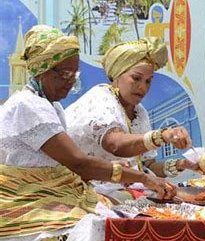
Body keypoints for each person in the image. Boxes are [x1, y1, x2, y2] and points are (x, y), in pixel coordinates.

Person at [0, 25, 176, 241]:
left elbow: (74, 166)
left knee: (124, 215)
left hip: (57, 191)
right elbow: (85, 160)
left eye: (75, 74)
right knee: (103, 228)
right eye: (65, 74)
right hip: (27, 200)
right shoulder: (29, 105)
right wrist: (144, 175)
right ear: (42, 69)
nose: (71, 81)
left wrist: (177, 166)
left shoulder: (51, 105)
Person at [65, 38, 198, 199]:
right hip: (81, 190)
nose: (143, 87)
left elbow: (146, 166)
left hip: (117, 191)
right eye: (136, 78)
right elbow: (115, 144)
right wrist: (162, 136)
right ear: (117, 75)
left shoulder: (139, 113)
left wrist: (182, 164)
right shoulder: (100, 98)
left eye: (148, 81)